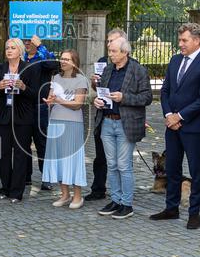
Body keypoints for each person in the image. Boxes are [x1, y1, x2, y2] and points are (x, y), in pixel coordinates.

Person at [151, 23, 200, 230]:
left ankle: (194, 212)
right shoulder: (175, 60)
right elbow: (165, 91)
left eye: (184, 40)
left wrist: (179, 116)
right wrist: (168, 115)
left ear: (196, 41)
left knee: (196, 169)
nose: (180, 44)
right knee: (172, 167)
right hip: (172, 126)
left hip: (194, 126)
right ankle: (171, 207)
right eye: (179, 40)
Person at [93, 38, 152, 219]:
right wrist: (97, 100)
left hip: (126, 123)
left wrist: (124, 97)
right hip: (107, 121)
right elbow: (101, 91)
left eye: (113, 51)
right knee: (111, 164)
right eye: (109, 51)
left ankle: (127, 204)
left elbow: (147, 97)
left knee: (124, 165)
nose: (110, 54)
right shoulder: (108, 69)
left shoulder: (138, 70)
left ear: (125, 52)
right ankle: (115, 200)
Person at [0, 38, 40, 203]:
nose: (9, 50)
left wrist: (23, 87)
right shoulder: (0, 68)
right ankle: (5, 187)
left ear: (20, 51)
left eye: (13, 48)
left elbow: (36, 94)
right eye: (7, 48)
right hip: (3, 117)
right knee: (3, 155)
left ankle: (17, 192)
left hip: (23, 118)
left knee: (20, 154)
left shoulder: (29, 68)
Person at [42, 49, 89, 208]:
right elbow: (52, 97)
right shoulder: (55, 77)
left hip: (73, 123)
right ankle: (65, 194)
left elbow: (77, 104)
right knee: (59, 158)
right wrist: (49, 101)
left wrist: (59, 100)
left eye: (67, 59)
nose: (62, 61)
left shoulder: (81, 80)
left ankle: (78, 196)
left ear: (74, 63)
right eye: (62, 58)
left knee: (72, 159)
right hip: (55, 121)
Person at [86, 28, 127, 202]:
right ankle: (98, 189)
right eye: (108, 41)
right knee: (100, 156)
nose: (109, 44)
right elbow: (98, 88)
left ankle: (123, 194)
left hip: (122, 118)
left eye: (113, 41)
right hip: (103, 116)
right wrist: (94, 82)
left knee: (122, 160)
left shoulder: (132, 65)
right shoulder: (103, 61)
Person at [24, 35, 60, 191]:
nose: (27, 43)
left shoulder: (43, 58)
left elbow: (55, 64)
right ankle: (25, 177)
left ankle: (46, 178)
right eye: (25, 41)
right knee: (23, 142)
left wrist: (41, 47)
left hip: (40, 107)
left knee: (42, 143)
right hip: (23, 106)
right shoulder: (21, 58)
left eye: (30, 41)